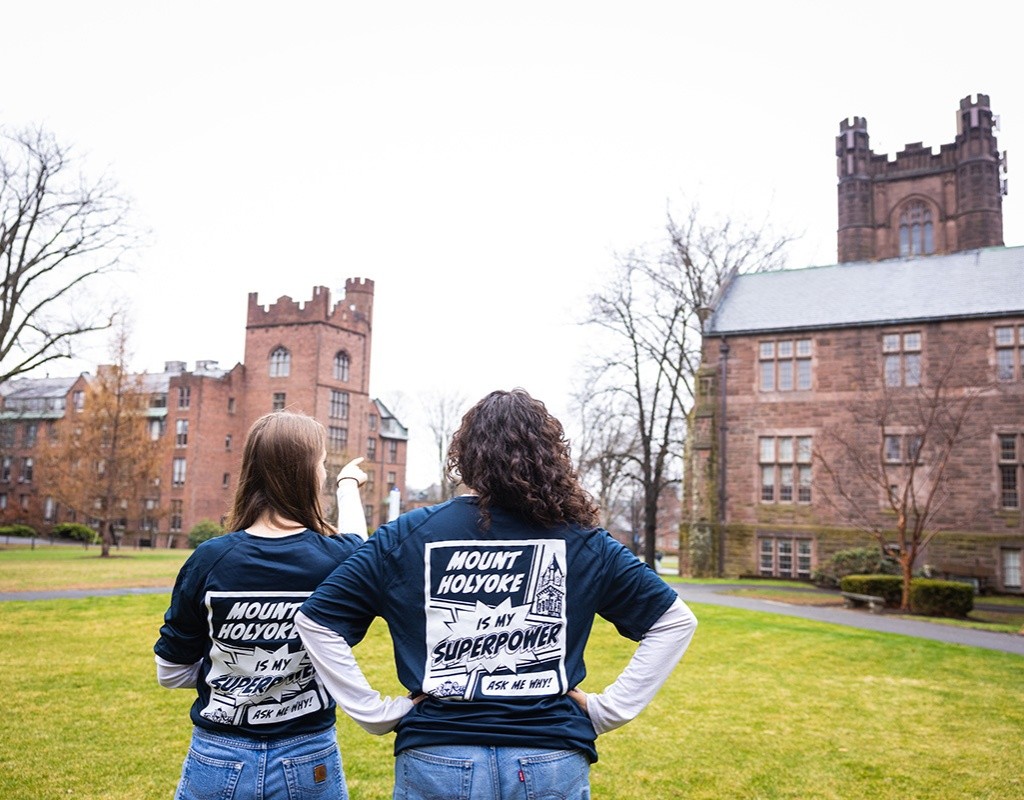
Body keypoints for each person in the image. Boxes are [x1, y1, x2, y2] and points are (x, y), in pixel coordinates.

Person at [295, 388, 698, 798]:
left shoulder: (407, 536)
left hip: (440, 757)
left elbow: (316, 621)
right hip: (547, 759)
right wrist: (608, 712)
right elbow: (674, 620)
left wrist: (376, 715)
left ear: (466, 455)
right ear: (549, 456)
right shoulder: (581, 540)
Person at [154, 411, 370, 800]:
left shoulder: (208, 559)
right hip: (308, 758)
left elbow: (170, 673)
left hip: (218, 756)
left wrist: (237, 672)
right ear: (307, 475)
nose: (322, 473)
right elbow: (361, 550)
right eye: (321, 464)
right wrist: (348, 485)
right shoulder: (337, 559)